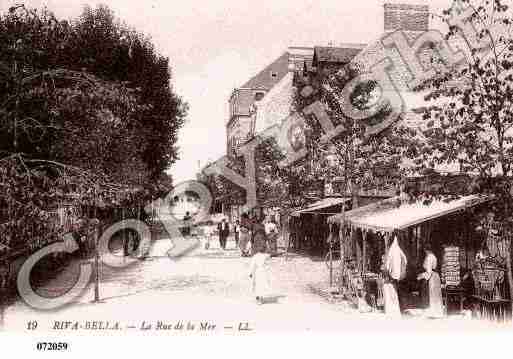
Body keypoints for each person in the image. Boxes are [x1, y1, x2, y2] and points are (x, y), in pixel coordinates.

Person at [382, 235, 407, 317]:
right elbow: (405, 260)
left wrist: (388, 271)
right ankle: (396, 310)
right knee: (395, 293)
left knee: (391, 293)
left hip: (391, 276)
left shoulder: (391, 250)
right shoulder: (399, 250)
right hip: (398, 276)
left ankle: (391, 311)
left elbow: (388, 265)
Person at [417, 244, 444, 318]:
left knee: (432, 294)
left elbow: (429, 271)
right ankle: (438, 312)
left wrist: (421, 276)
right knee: (436, 295)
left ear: (426, 250)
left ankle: (434, 313)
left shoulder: (429, 257)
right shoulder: (433, 256)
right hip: (435, 276)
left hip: (432, 277)